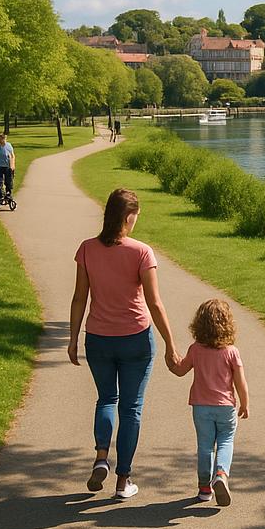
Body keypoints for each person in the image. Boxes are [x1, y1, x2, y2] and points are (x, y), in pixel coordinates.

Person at [69, 188, 177, 500]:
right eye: (136, 218)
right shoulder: (141, 252)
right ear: (129, 217)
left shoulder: (87, 249)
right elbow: (155, 304)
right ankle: (122, 481)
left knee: (106, 400)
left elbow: (80, 298)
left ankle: (102, 456)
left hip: (98, 339)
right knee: (131, 408)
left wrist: (73, 338)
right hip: (135, 340)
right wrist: (171, 343)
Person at [167, 299, 250, 506]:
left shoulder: (196, 349)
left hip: (201, 407)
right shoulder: (231, 351)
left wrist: (171, 359)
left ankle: (205, 488)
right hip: (225, 407)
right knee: (225, 441)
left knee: (205, 446)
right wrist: (244, 404)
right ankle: (221, 474)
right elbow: (241, 382)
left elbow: (180, 370)